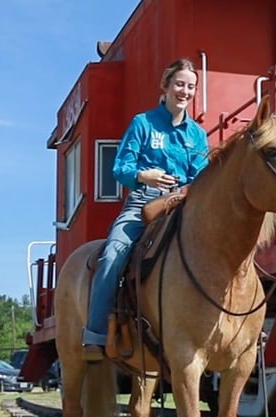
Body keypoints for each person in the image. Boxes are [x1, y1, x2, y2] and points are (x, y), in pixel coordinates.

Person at [82, 58, 210, 362]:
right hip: (143, 202)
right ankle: (96, 335)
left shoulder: (197, 135)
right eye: (179, 84)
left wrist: (188, 191)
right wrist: (144, 175)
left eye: (191, 86)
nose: (185, 91)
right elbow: (119, 168)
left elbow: (202, 176)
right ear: (164, 87)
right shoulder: (143, 123)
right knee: (113, 252)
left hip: (182, 204)